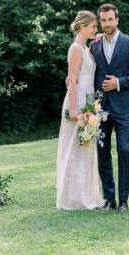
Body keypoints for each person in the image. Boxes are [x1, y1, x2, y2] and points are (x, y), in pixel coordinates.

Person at [90, 3, 129, 212]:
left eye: (110, 20)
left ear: (117, 20)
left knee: (124, 150)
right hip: (101, 109)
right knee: (102, 153)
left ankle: (123, 200)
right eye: (103, 20)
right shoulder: (94, 46)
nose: (107, 24)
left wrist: (118, 83)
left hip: (123, 107)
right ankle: (109, 199)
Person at [56, 11, 104, 210]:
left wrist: (98, 38)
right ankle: (75, 198)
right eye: (93, 26)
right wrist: (74, 111)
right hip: (77, 103)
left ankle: (87, 195)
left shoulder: (86, 48)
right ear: (83, 26)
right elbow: (72, 80)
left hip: (89, 102)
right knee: (75, 148)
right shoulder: (75, 49)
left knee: (86, 148)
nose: (96, 30)